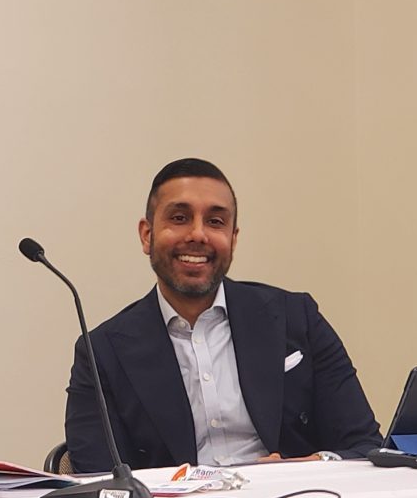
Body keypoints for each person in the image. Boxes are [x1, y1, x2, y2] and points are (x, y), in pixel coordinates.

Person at [64, 158, 382, 472]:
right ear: (147, 235)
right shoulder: (102, 353)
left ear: (233, 238)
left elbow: (365, 444)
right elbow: (99, 475)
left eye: (215, 222)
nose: (198, 234)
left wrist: (310, 466)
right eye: (179, 218)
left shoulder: (296, 318)